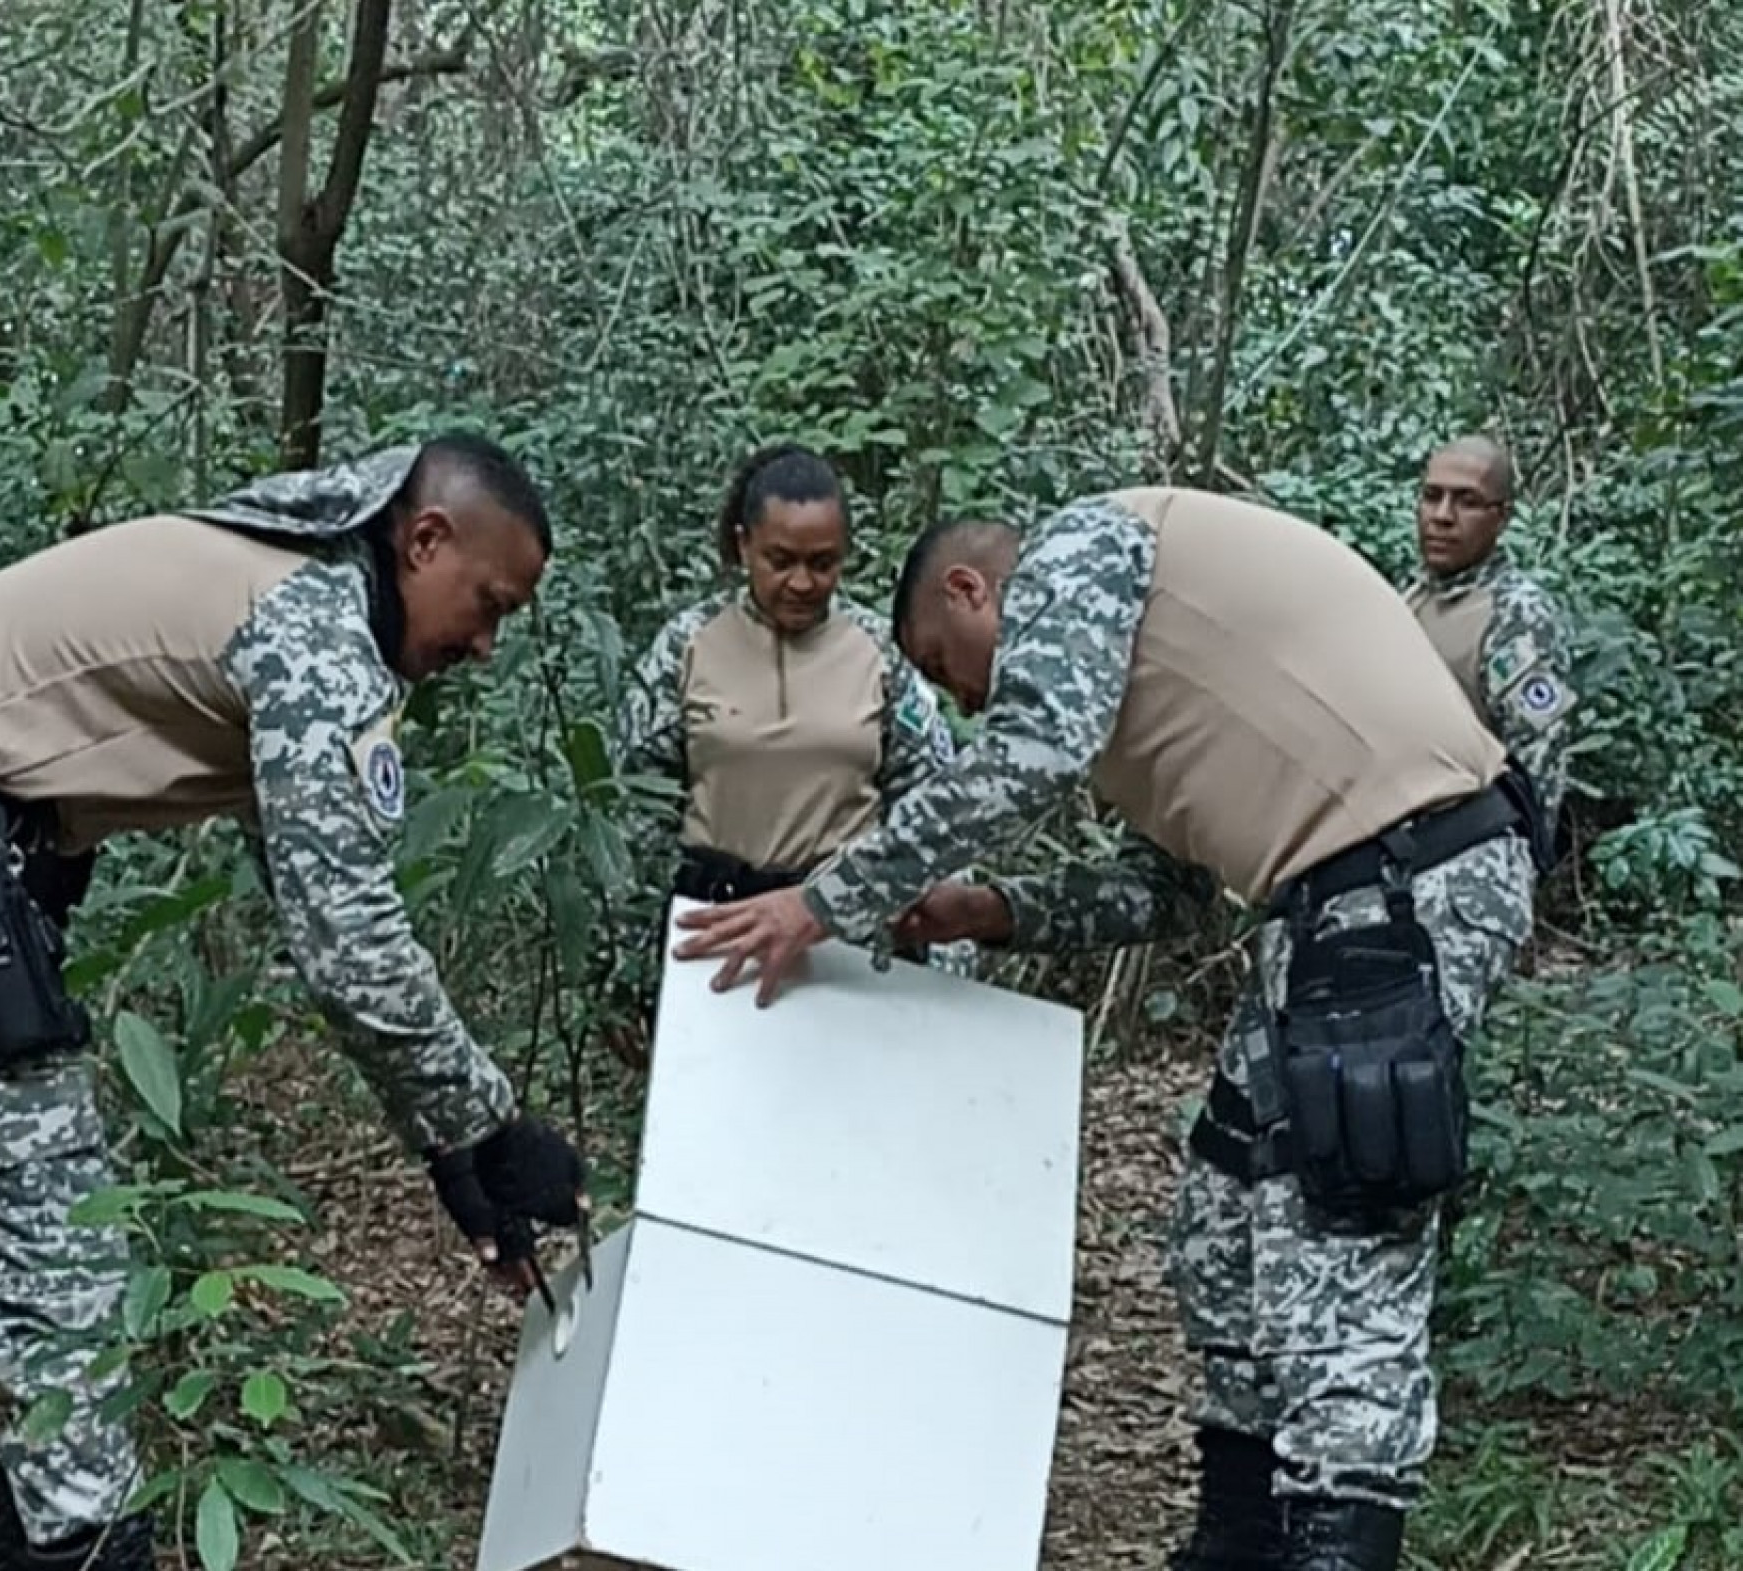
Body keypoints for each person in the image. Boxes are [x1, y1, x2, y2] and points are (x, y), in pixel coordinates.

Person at [671, 486, 1542, 1571]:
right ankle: (1237, 1539)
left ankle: (1335, 1542)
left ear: (974, 588)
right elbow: (1167, 890)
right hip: (1322, 910)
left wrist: (824, 899)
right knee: (1222, 1227)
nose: (968, 701)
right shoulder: (1138, 688)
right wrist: (990, 909)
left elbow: (1031, 750)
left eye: (950, 666)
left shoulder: (1088, 546)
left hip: (1411, 879)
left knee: (1339, 1252)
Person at [0, 435, 588, 1571]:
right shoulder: (311, 627)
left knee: (18, 1253)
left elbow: (317, 906)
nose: (485, 643)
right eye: (487, 603)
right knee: (58, 1260)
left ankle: (29, 1525)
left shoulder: (285, 589)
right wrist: (494, 1123)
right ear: (424, 539)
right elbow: (352, 942)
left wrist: (453, 1154)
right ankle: (73, 1543)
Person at [607, 444, 958, 1055]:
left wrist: (947, 960)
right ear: (744, 546)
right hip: (715, 928)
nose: (802, 582)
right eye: (781, 560)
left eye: (823, 563)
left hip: (847, 929)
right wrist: (625, 968)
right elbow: (635, 812)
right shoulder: (685, 648)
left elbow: (935, 808)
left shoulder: (880, 652)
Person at [1405, 434, 1575, 840]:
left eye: (1466, 501)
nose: (1442, 516)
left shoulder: (1517, 614)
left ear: (1501, 517)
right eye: (1432, 496)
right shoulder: (1410, 597)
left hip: (1471, 863)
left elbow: (1538, 763)